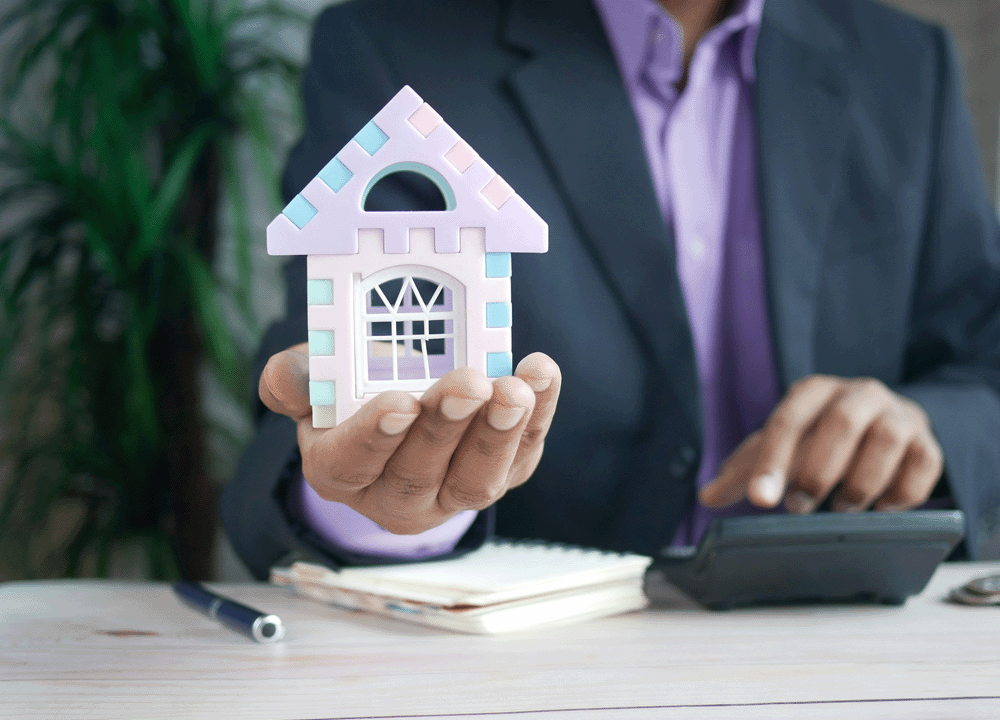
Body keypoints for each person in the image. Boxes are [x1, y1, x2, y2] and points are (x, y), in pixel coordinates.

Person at [222, 0, 1000, 580]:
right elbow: (320, 389)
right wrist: (378, 505)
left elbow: (984, 361)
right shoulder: (393, 46)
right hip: (531, 657)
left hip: (841, 635)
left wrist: (926, 428)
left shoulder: (906, 63)